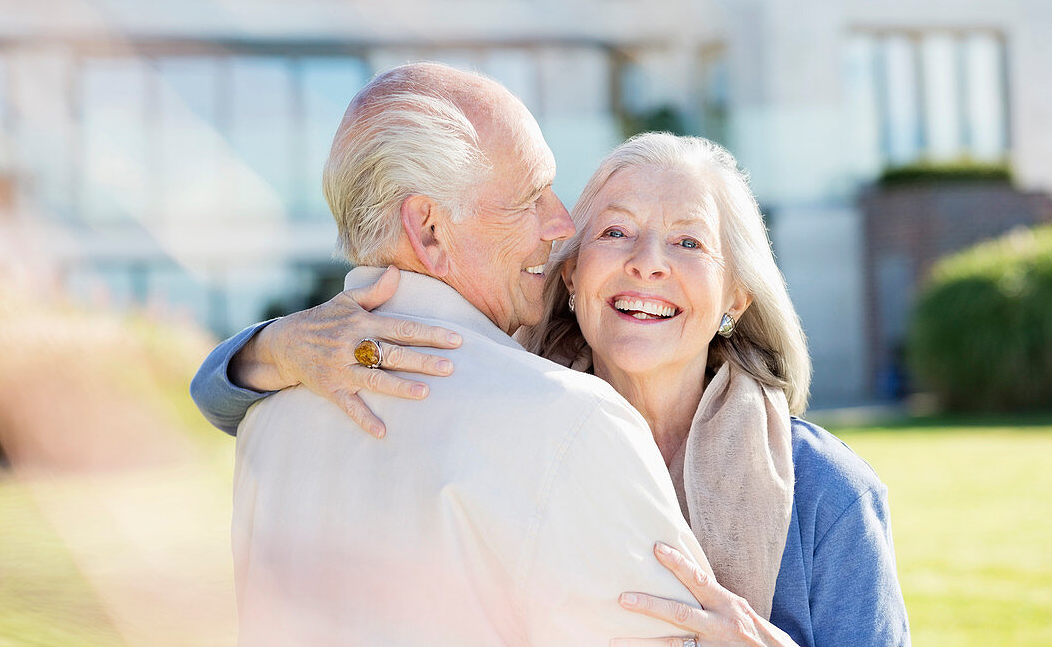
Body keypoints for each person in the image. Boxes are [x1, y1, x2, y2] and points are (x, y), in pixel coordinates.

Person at [197, 129, 911, 645]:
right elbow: (220, 396)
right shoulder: (502, 420)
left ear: (735, 298)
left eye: (689, 242)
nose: (648, 264)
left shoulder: (827, 494)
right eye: (616, 233)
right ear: (568, 275)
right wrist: (272, 345)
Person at [221, 62, 728, 646]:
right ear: (430, 230)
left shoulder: (265, 418)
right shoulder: (573, 420)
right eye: (530, 198)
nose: (561, 226)